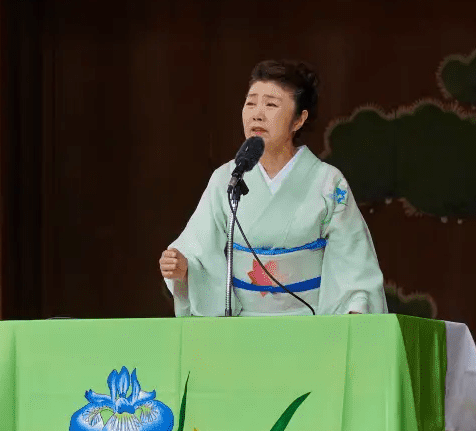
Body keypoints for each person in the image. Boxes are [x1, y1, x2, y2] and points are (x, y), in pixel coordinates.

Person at [159, 60, 388, 317]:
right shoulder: (226, 178)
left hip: (310, 327)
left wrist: (354, 311)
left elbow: (353, 262)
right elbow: (197, 250)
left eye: (270, 104)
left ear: (298, 120)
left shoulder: (328, 182)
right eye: (250, 103)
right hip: (241, 329)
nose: (257, 113)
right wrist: (183, 268)